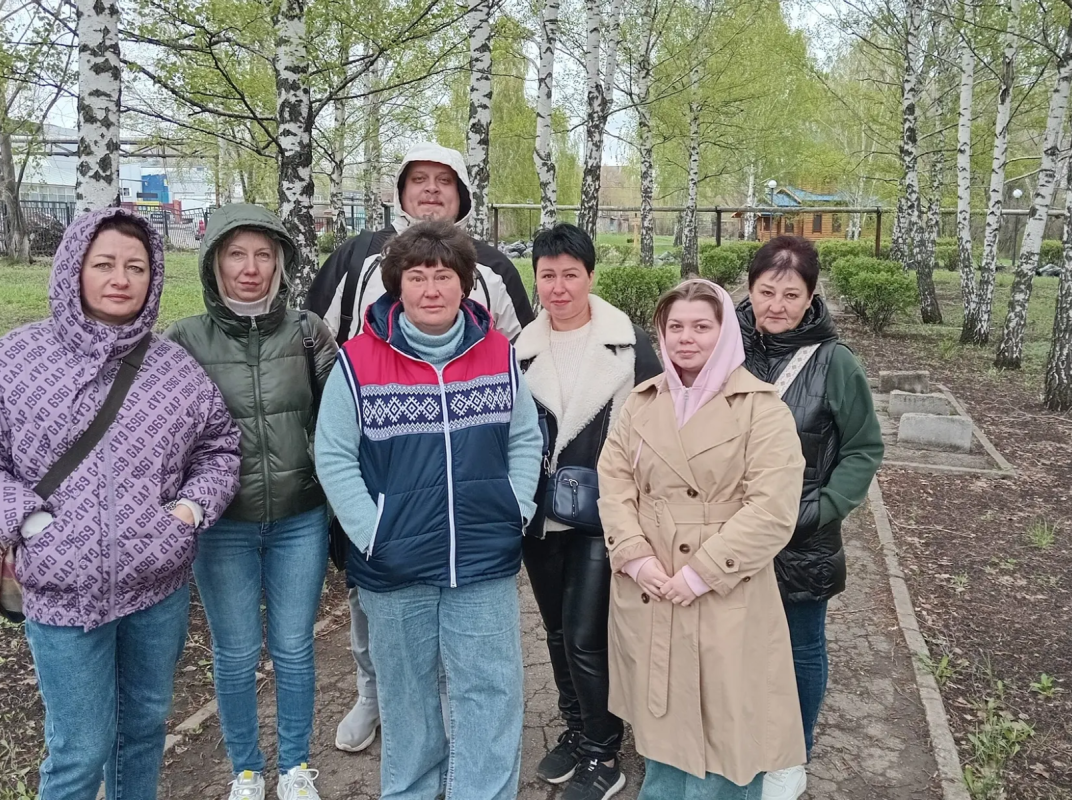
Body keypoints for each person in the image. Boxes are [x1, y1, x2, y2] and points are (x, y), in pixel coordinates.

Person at [0, 208, 241, 800]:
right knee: (80, 749)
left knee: (143, 731)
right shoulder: (14, 360)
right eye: (104, 264)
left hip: (157, 591)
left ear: (154, 277)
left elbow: (219, 449)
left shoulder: (175, 370)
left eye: (136, 267)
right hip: (61, 594)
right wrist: (31, 521)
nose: (120, 279)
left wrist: (188, 514)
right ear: (74, 267)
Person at [305, 141, 535, 751]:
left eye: (444, 181)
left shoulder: (492, 268)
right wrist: (365, 515)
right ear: (401, 190)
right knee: (375, 604)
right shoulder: (358, 256)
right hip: (385, 463)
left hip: (470, 482)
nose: (431, 190)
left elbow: (519, 358)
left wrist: (513, 502)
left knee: (470, 643)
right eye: (420, 179)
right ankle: (371, 694)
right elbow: (317, 338)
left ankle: (450, 719)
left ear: (462, 195)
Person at [596, 279, 807, 800]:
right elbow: (614, 481)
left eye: (701, 326)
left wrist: (701, 573)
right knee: (662, 728)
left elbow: (772, 509)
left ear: (726, 332)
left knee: (727, 731)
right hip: (653, 586)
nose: (685, 338)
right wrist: (634, 556)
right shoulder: (642, 402)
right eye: (675, 327)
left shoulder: (762, 409)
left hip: (724, 590)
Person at [165, 204, 338, 800]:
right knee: (236, 654)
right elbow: (163, 435)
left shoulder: (308, 331)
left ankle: (294, 767)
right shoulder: (184, 340)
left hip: (299, 518)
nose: (250, 268)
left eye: (264, 255)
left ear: (281, 264)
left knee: (293, 648)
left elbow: (339, 420)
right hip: (222, 525)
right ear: (213, 263)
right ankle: (245, 769)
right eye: (236, 254)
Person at [735, 236, 883, 800]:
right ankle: (741, 741)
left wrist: (823, 508)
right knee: (735, 644)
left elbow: (863, 448)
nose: (777, 305)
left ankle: (790, 756)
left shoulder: (834, 361)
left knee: (799, 647)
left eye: (791, 295)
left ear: (811, 295)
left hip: (802, 535)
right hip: (730, 533)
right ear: (750, 289)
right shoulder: (725, 345)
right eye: (766, 291)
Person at [515, 224, 661, 800]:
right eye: (547, 275)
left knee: (584, 635)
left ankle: (604, 750)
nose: (559, 287)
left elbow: (657, 425)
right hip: (539, 514)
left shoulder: (629, 345)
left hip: (604, 512)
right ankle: (576, 729)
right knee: (555, 631)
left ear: (591, 276)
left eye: (570, 275)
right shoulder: (519, 348)